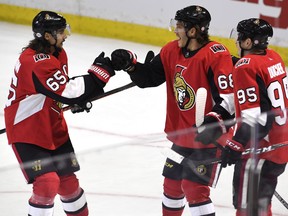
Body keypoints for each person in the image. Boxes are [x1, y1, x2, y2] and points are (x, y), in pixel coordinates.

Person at [110, 5, 234, 216]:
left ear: (193, 31)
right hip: (184, 135)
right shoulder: (171, 50)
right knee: (172, 186)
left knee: (194, 189)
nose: (175, 30)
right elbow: (150, 77)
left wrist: (213, 121)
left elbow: (229, 98)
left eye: (179, 26)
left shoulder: (215, 54)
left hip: (210, 135)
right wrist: (132, 66)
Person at [4, 11, 115, 216]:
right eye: (62, 32)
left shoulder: (59, 54)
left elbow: (61, 91)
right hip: (27, 130)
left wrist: (75, 100)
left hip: (53, 125)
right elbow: (69, 92)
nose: (66, 35)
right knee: (47, 183)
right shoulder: (35, 62)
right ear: (47, 36)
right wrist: (102, 71)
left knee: (68, 184)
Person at [221, 18, 288, 216]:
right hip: (280, 148)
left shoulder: (245, 66)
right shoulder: (274, 57)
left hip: (259, 152)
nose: (237, 41)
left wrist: (235, 144)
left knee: (247, 210)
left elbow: (257, 118)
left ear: (248, 43)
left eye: (240, 37)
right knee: (260, 207)